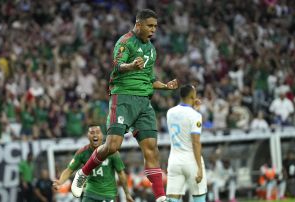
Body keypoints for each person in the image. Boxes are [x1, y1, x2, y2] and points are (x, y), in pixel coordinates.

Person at [72, 9, 178, 202]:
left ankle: (161, 197)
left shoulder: (151, 49)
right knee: (112, 146)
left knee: (151, 148)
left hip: (144, 102)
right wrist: (131, 66)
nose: (153, 30)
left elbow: (148, 79)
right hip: (123, 99)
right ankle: (84, 172)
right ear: (138, 24)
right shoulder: (125, 42)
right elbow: (117, 65)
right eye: (150, 26)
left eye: (155, 26)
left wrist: (165, 86)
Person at [53, 126, 134, 202]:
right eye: (92, 133)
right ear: (87, 136)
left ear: (102, 135)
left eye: (98, 132)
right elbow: (69, 170)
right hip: (90, 194)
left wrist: (127, 193)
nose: (95, 135)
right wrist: (60, 181)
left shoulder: (112, 152)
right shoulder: (82, 153)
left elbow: (121, 173)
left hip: (108, 194)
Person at [165, 84, 207, 202]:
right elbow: (195, 142)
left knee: (172, 199)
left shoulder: (170, 112)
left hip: (174, 162)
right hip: (191, 161)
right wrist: (199, 167)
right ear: (193, 96)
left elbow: (183, 119)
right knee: (199, 198)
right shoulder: (195, 116)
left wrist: (193, 109)